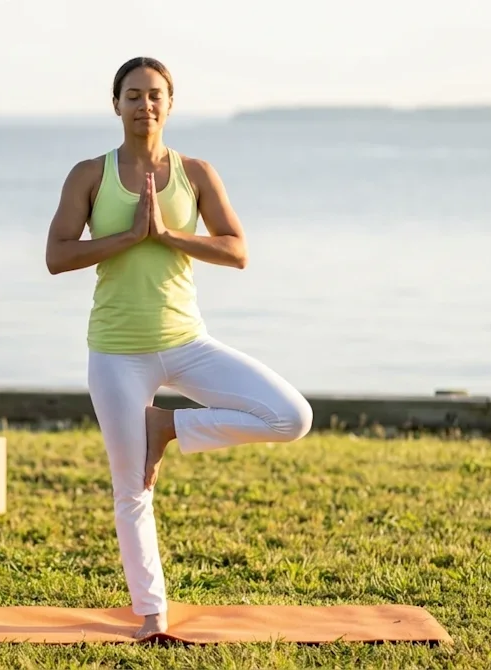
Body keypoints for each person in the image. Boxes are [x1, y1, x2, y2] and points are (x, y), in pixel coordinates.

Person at [43, 56, 314, 639]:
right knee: (130, 487)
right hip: (117, 351)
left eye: (156, 95)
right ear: (116, 105)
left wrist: (169, 236)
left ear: (170, 104)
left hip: (187, 341)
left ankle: (169, 426)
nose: (145, 105)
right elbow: (57, 256)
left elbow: (237, 250)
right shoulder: (90, 174)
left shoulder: (196, 172)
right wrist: (126, 238)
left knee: (292, 416)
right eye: (134, 95)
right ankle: (152, 614)